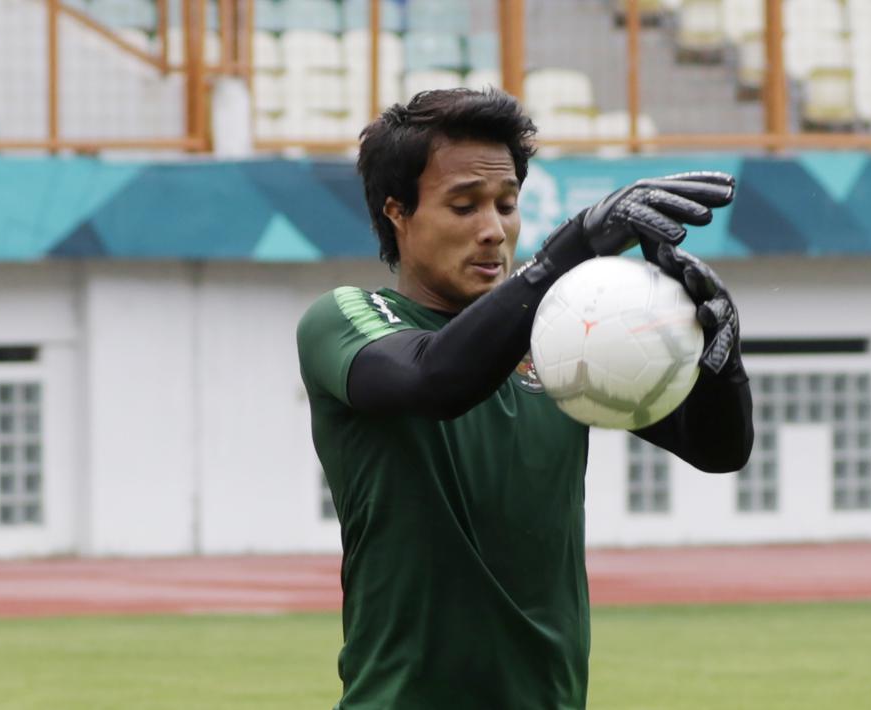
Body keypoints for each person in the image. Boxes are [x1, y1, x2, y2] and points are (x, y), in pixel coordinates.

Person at [296, 88, 753, 710]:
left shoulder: (560, 339)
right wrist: (566, 256)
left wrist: (721, 364)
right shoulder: (345, 318)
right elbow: (434, 380)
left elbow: (718, 449)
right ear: (397, 211)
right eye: (463, 206)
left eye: (507, 205)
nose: (492, 230)